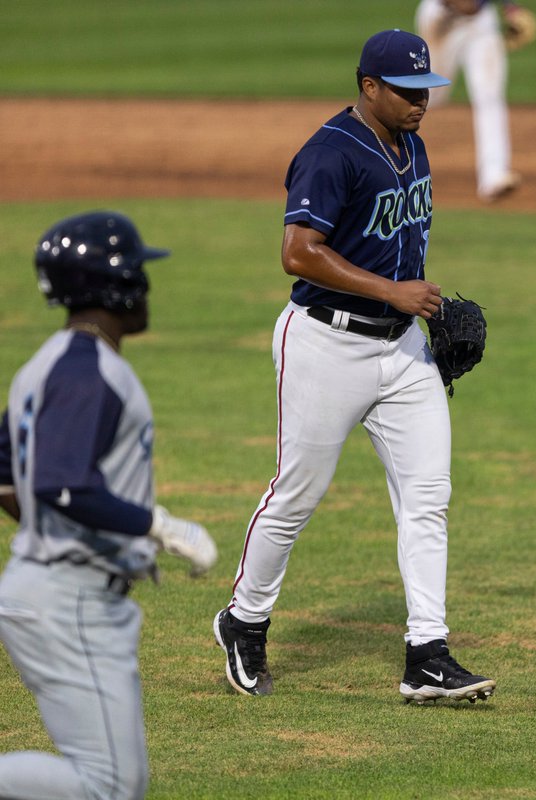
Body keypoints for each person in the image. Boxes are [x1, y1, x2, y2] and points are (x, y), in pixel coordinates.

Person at [213, 28, 496, 705]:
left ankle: (426, 654)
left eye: (426, 91)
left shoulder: (415, 145)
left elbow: (397, 238)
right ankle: (244, 621)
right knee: (296, 497)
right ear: (369, 87)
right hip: (324, 347)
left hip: (402, 352)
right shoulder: (329, 154)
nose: (419, 103)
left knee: (428, 500)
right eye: (405, 92)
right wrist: (390, 289)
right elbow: (298, 252)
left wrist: (417, 303)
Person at [0, 210, 218, 800]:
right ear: (113, 282)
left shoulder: (46, 365)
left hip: (50, 589)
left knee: (112, 783)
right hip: (70, 601)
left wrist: (60, 535)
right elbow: (61, 484)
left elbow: (7, 478)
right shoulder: (89, 371)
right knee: (107, 785)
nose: (146, 286)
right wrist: (157, 525)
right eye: (137, 270)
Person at [415, 0, 524, 202]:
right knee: (426, 95)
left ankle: (494, 175)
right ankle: (375, 151)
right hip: (442, 19)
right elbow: (465, 5)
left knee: (489, 95)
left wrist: (511, 8)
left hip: (481, 23)